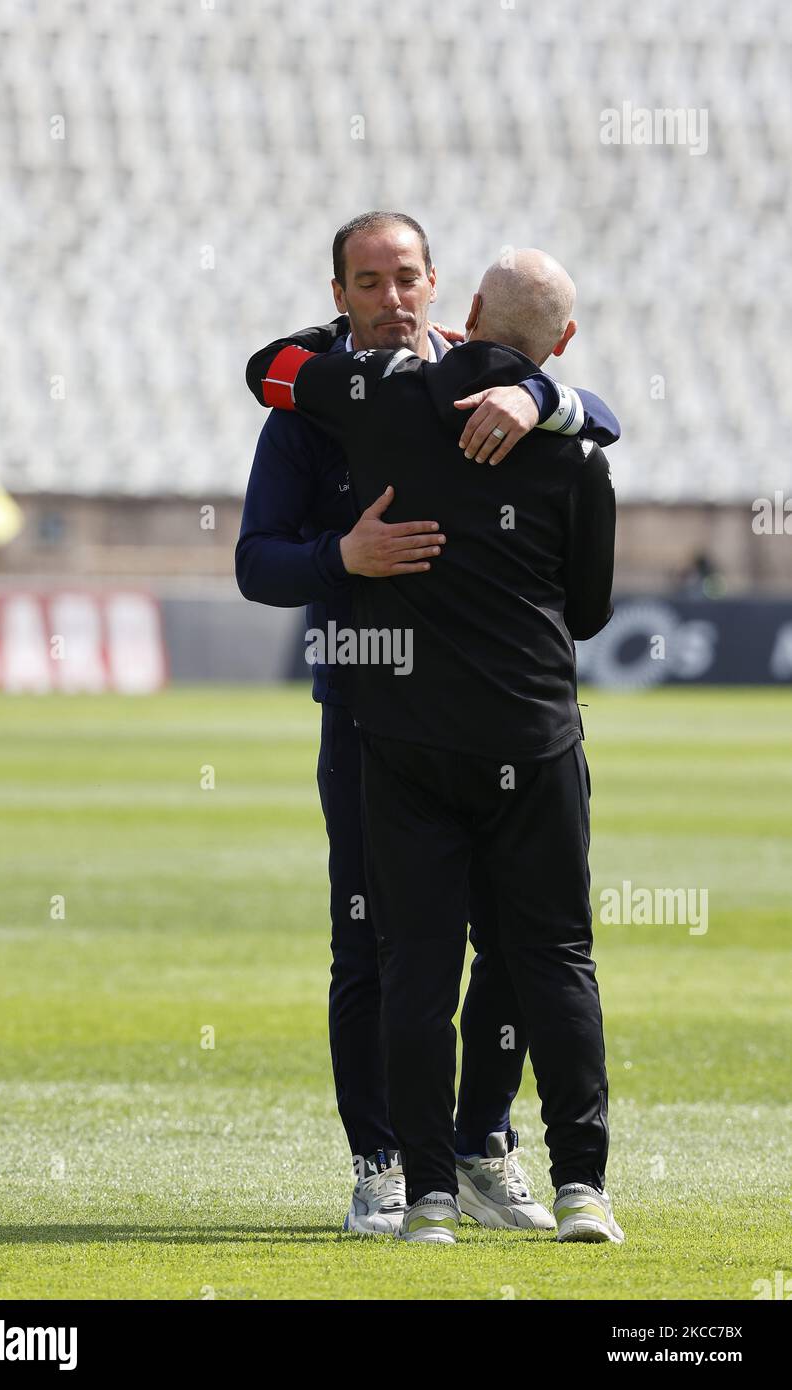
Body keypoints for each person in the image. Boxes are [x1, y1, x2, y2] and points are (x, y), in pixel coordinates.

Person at [236, 216, 619, 1236]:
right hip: (366, 711)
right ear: (339, 293)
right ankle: (381, 1162)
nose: (391, 297)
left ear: (438, 286)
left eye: (406, 277)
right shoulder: (307, 405)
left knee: (509, 944)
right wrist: (338, 559)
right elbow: (254, 561)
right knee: (374, 951)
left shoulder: (482, 384)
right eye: (368, 282)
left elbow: (601, 423)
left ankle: (476, 1139)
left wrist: (539, 391)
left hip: (484, 719)